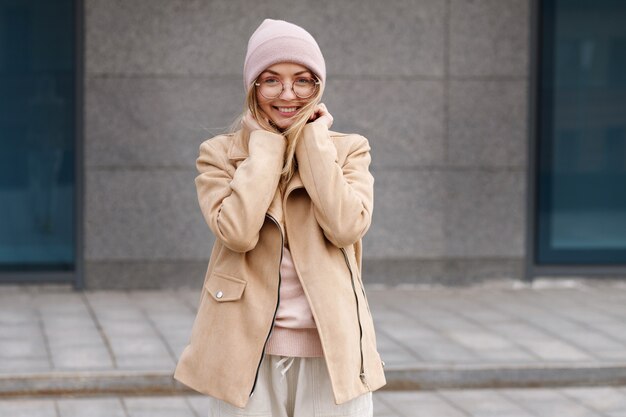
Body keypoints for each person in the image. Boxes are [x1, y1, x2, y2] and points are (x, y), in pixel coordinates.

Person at [174, 18, 386, 417]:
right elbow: (236, 232)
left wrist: (314, 145)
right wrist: (266, 149)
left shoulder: (350, 150)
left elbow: (346, 227)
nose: (287, 93)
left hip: (333, 349)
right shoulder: (219, 154)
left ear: (318, 87)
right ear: (253, 86)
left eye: (302, 80)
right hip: (244, 348)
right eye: (271, 80)